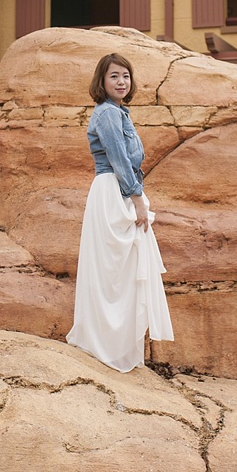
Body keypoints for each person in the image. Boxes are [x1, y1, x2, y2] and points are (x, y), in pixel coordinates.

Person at [67, 52, 174, 372]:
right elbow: (118, 158)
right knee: (115, 273)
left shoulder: (117, 112)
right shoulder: (108, 114)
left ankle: (114, 346)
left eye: (125, 76)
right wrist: (137, 198)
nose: (121, 82)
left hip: (116, 190)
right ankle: (106, 346)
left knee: (120, 273)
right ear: (101, 81)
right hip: (114, 190)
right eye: (114, 76)